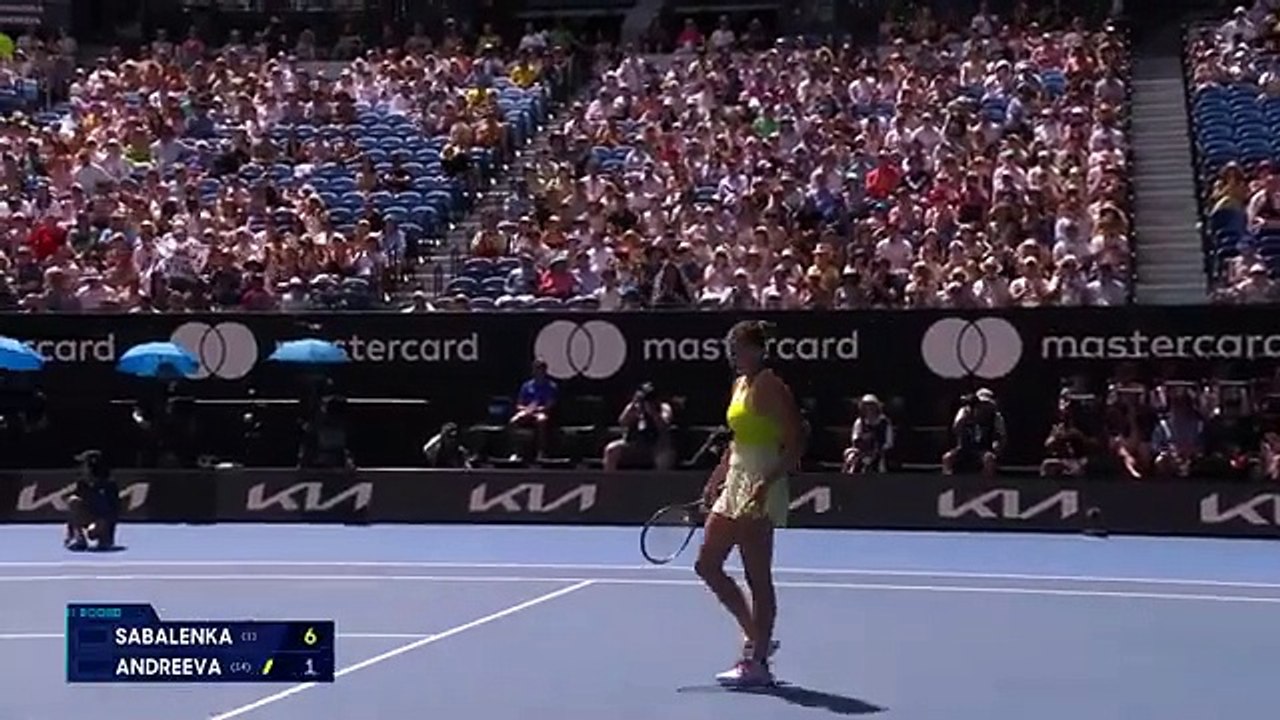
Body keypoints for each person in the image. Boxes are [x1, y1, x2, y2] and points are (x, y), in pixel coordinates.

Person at [696, 320, 804, 687]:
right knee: (707, 565)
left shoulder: (771, 386)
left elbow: (795, 443)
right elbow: (736, 440)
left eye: (740, 348)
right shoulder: (739, 384)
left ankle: (758, 664)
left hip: (763, 481)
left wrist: (765, 484)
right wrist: (716, 478)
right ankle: (757, 637)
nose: (735, 355)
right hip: (736, 481)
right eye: (731, 349)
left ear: (758, 350)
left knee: (758, 577)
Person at [603, 382, 675, 470]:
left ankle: (659, 479)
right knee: (611, 450)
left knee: (665, 459)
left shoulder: (664, 407)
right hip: (634, 444)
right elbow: (622, 422)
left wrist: (653, 412)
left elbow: (664, 425)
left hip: (656, 446)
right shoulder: (634, 407)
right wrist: (633, 409)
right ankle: (610, 478)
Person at [65, 450, 119, 551]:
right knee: (73, 500)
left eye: (83, 464)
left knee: (95, 535)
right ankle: (79, 539)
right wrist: (70, 534)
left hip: (104, 520)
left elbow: (113, 512)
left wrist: (105, 530)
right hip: (89, 515)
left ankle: (104, 539)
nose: (80, 467)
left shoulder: (109, 485)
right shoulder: (82, 483)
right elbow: (74, 513)